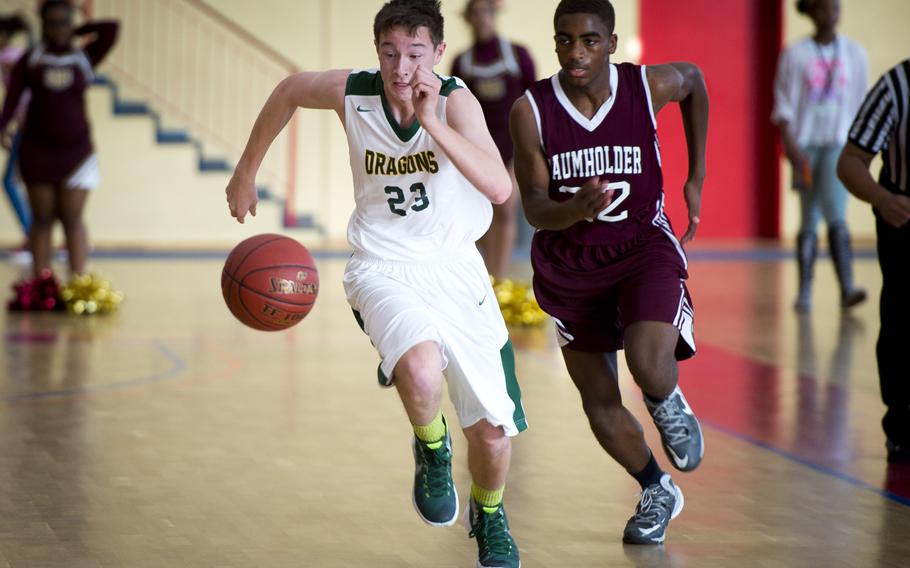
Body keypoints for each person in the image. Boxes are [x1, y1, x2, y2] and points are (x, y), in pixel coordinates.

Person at [224, 1, 525, 566]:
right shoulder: (354, 92)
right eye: (390, 53)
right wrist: (247, 169)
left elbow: (498, 188)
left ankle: (490, 514)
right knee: (419, 366)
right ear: (377, 52)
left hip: (457, 270)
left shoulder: (458, 100)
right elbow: (289, 88)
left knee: (491, 436)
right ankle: (433, 448)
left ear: (437, 52)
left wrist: (433, 120)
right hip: (382, 267)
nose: (401, 67)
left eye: (415, 54)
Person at [509, 0, 707, 545]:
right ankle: (656, 488)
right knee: (598, 401)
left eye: (590, 40)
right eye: (565, 40)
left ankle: (667, 401)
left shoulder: (646, 87)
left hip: (643, 245)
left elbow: (694, 80)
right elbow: (533, 206)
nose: (576, 52)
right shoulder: (531, 110)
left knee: (648, 366)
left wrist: (697, 176)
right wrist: (573, 210)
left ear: (612, 44)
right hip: (572, 263)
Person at [0, 1, 118, 287]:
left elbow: (111, 29)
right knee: (42, 220)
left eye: (63, 22)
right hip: (37, 152)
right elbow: (12, 98)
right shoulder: (31, 58)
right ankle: (42, 285)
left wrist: (77, 28)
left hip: (76, 154)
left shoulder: (83, 57)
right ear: (43, 26)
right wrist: (2, 128)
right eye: (52, 23)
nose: (58, 29)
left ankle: (79, 285)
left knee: (72, 219)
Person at [771, 0, 868, 313]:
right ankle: (805, 292)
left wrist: (859, 150)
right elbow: (783, 106)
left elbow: (860, 104)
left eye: (836, 7)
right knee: (809, 216)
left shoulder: (854, 54)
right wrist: (791, 146)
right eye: (825, 8)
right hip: (805, 143)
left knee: (835, 209)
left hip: (838, 144)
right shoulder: (795, 54)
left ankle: (847, 286)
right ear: (811, 12)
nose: (832, 14)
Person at [837, 58, 910, 464]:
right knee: (901, 316)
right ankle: (900, 423)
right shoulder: (895, 87)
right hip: (902, 212)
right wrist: (882, 200)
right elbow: (849, 162)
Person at [450, 0, 535, 280]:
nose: (481, 19)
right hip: (478, 148)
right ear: (468, 18)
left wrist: (531, 149)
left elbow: (533, 101)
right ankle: (486, 278)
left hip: (514, 146)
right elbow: (453, 106)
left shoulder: (517, 54)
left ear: (494, 15)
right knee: (480, 214)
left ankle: (499, 278)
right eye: (475, 14)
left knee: (506, 208)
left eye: (485, 12)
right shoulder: (462, 61)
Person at [0, 13, 31, 247]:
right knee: (22, 180)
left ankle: (33, 234)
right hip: (25, 125)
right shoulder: (13, 55)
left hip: (29, 126)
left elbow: (15, 97)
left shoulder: (9, 57)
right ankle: (34, 233)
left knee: (11, 181)